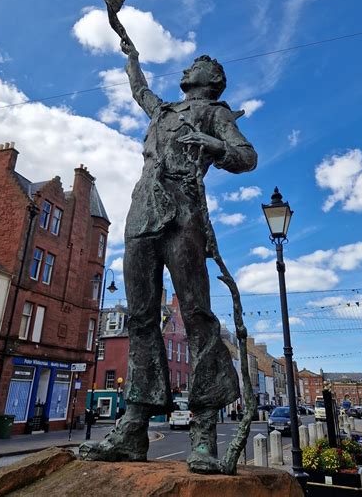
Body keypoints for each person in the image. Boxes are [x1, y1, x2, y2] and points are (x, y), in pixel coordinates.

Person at [80, 44, 257, 473]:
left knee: (197, 316)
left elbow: (246, 158)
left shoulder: (215, 112)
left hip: (184, 212)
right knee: (141, 317)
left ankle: (202, 434)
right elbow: (140, 90)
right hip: (143, 210)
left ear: (211, 81)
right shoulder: (162, 111)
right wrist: (132, 58)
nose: (185, 66)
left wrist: (212, 143)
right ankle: (134, 427)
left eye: (195, 65)